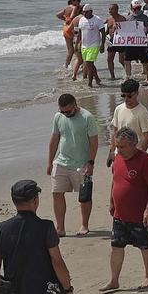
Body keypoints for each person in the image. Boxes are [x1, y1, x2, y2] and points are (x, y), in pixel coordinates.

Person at [101, 127, 148, 292]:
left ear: (134, 144)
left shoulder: (146, 160)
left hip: (141, 215)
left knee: (146, 246)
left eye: (123, 147)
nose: (120, 150)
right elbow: (115, 181)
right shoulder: (118, 158)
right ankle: (114, 280)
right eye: (118, 146)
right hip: (120, 214)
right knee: (116, 246)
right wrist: (111, 202)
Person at [47, 93, 99, 237]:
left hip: (81, 163)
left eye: (68, 111)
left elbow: (94, 142)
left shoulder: (87, 117)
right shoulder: (58, 117)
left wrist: (91, 163)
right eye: (62, 111)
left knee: (84, 196)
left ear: (75, 104)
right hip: (61, 161)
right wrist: (50, 161)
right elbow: (54, 138)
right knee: (56, 193)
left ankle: (84, 225)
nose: (65, 114)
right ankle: (60, 228)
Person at [109, 79, 148, 158]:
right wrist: (111, 151)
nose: (126, 99)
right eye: (123, 95)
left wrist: (140, 155)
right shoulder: (118, 109)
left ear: (136, 94)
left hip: (134, 154)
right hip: (118, 154)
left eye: (129, 96)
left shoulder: (142, 112)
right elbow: (115, 132)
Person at [75, 4, 106, 87]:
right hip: (84, 45)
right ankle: (97, 78)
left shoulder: (97, 20)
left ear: (91, 11)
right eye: (83, 12)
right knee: (89, 64)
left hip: (94, 44)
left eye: (86, 12)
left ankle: (89, 83)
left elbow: (103, 32)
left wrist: (102, 44)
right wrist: (77, 44)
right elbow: (80, 33)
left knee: (89, 63)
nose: (84, 14)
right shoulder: (81, 20)